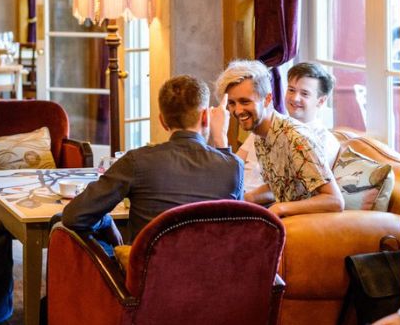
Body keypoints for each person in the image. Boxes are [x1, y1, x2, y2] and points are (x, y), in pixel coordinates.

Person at [62, 75, 244, 243]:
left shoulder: (136, 161)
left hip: (151, 275)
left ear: (162, 121)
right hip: (212, 275)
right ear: (205, 117)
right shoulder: (233, 167)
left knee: (61, 223)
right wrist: (221, 139)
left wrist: (107, 222)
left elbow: (74, 216)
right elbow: (239, 228)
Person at [215, 60, 344, 217]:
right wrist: (246, 199)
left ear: (268, 99)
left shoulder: (297, 138)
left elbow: (335, 200)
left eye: (245, 101)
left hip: (305, 226)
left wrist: (280, 208)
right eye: (232, 103)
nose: (238, 110)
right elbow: (280, 185)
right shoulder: (260, 134)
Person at [237, 62, 340, 191]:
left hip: (265, 205)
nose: (295, 98)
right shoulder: (267, 124)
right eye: (291, 90)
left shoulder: (324, 141)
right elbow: (235, 165)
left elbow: (299, 190)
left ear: (321, 101)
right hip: (237, 196)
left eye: (304, 94)